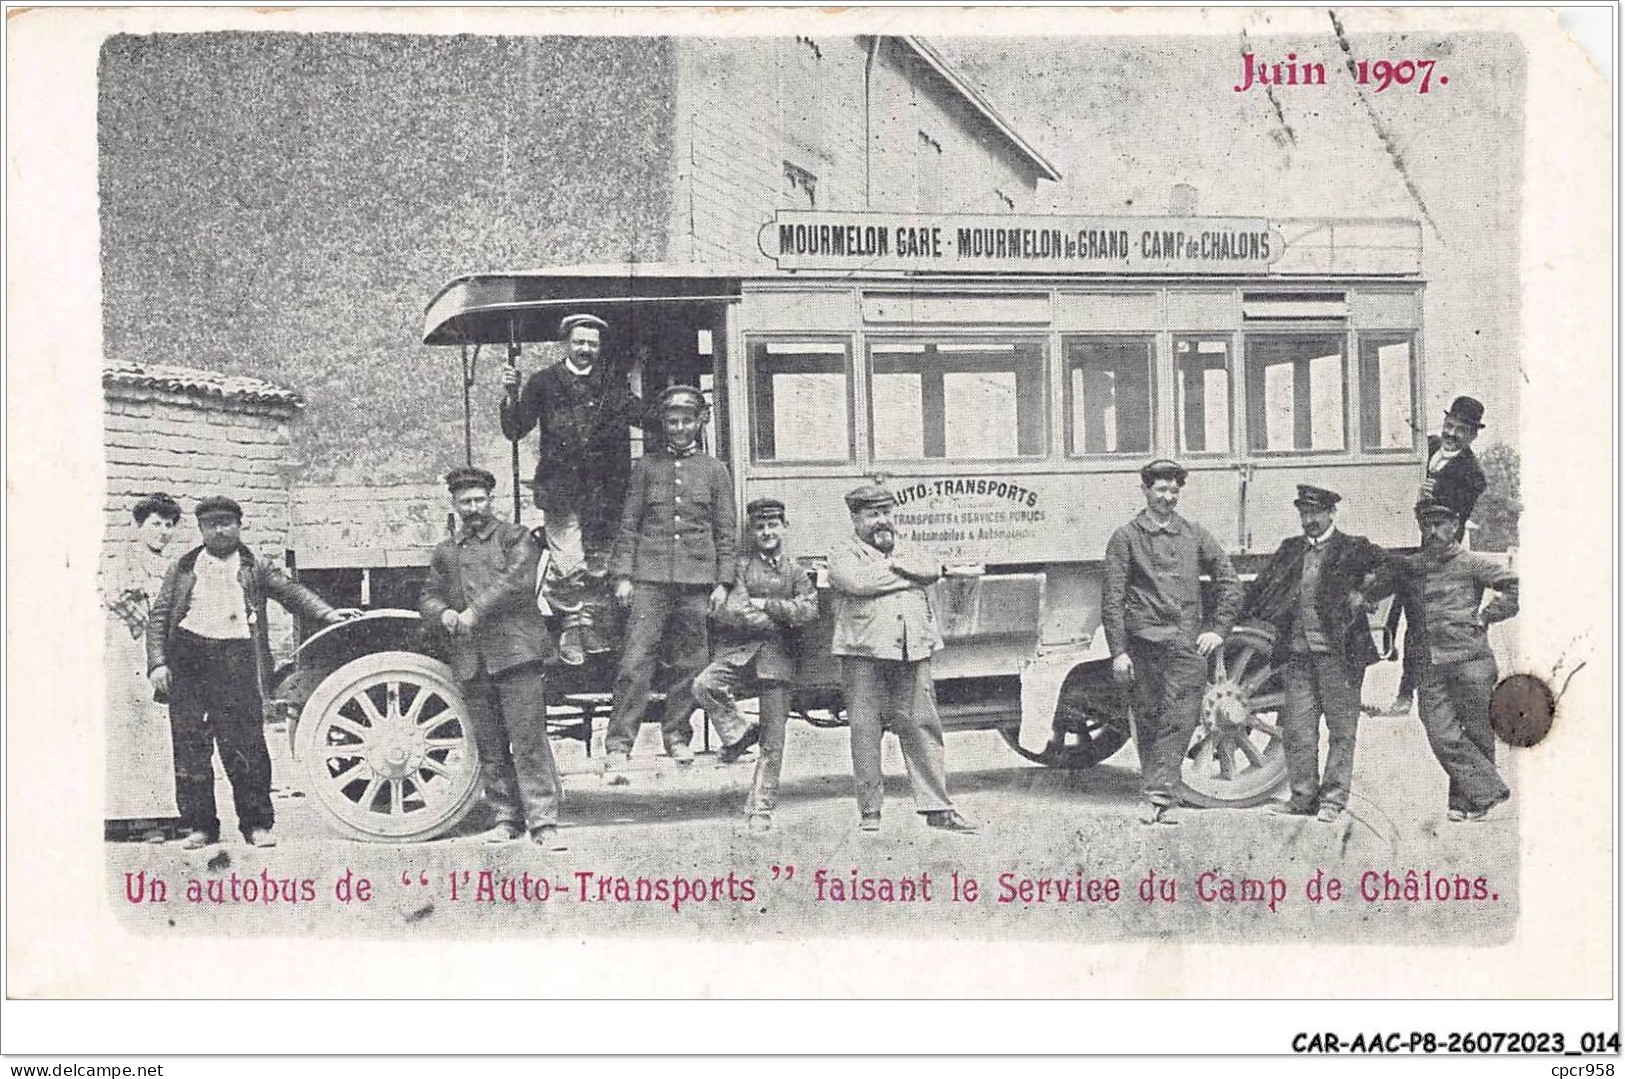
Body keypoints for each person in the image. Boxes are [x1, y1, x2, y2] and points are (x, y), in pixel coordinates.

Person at [147, 496, 359, 849]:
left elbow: (291, 592)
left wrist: (327, 614)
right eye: (211, 524)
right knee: (190, 747)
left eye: (226, 523)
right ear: (201, 530)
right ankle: (200, 827)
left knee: (246, 745)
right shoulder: (183, 567)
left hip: (237, 659)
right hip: (188, 658)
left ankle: (256, 825)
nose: (219, 530)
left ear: (239, 526)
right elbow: (159, 616)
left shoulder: (254, 566)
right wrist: (157, 662)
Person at [420, 467, 565, 846]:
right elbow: (428, 596)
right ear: (454, 503)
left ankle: (544, 823)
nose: (473, 508)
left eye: (479, 499)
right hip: (473, 659)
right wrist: (444, 613)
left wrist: (474, 611)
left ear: (491, 499)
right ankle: (505, 818)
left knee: (529, 741)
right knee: (491, 747)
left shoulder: (514, 537)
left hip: (516, 653)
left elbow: (516, 582)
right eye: (465, 501)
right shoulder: (446, 550)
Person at [827, 483, 978, 835]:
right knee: (865, 730)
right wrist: (905, 574)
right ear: (855, 518)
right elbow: (855, 581)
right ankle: (870, 811)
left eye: (886, 514)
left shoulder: (907, 546)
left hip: (913, 648)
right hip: (863, 651)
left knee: (923, 726)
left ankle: (938, 808)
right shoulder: (842, 551)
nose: (882, 521)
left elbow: (932, 569)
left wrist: (900, 568)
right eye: (872, 515)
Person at [603, 385, 736, 780]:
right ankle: (618, 746)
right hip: (650, 579)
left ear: (699, 423)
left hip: (697, 581)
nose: (679, 429)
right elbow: (629, 525)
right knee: (634, 662)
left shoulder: (715, 470)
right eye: (672, 422)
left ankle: (677, 735)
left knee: (692, 664)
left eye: (686, 421)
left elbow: (725, 531)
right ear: (663, 425)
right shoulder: (646, 468)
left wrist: (723, 582)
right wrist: (624, 575)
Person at [1239, 485, 1393, 823]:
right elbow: (1259, 589)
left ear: (1330, 514)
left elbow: (1393, 570)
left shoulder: (1355, 548)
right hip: (1297, 658)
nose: (1309, 520)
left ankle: (1333, 800)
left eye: (1315, 514)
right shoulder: (1290, 550)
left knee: (1341, 730)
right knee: (1297, 731)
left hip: (1340, 658)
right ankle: (1302, 798)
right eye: (1303, 514)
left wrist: (1363, 594)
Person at [500, 312, 645, 666]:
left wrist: (685, 410)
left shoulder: (612, 385)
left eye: (592, 344)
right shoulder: (542, 382)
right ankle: (570, 625)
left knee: (599, 564)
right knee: (567, 563)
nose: (585, 349)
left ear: (599, 348)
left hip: (605, 493)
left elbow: (644, 415)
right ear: (566, 343)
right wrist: (509, 395)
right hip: (561, 490)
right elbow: (515, 429)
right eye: (579, 342)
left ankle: (588, 625)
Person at [1103, 459, 1241, 825]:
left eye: (1173, 491)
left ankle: (1160, 795)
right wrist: (1118, 651)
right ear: (1146, 491)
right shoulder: (1126, 537)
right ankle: (1158, 793)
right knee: (1148, 719)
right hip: (1142, 644)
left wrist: (1218, 631)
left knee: (1180, 718)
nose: (1167, 497)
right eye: (1160, 490)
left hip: (1184, 645)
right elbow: (1112, 600)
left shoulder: (1195, 535)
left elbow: (1230, 583)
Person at [693, 497, 819, 834]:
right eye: (760, 527)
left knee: (773, 742)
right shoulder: (741, 567)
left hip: (778, 661)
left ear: (783, 528)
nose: (766, 532)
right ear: (752, 531)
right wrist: (781, 618)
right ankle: (738, 733)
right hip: (743, 653)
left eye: (772, 526)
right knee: (704, 685)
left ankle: (761, 809)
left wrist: (768, 605)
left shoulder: (795, 570)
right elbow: (735, 611)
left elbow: (808, 611)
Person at [1405, 499, 1517, 822]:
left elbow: (1514, 586)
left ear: (1454, 526)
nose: (1433, 532)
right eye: (1428, 525)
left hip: (1471, 660)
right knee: (1440, 731)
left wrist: (1488, 615)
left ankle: (1467, 802)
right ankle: (1490, 790)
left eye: (1440, 525)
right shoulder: (1417, 566)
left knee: (1477, 730)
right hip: (1431, 664)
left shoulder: (1472, 563)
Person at [1381, 395, 1489, 716]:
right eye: (1449, 425)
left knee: (1419, 625)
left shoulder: (1472, 475)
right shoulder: (1423, 450)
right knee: (1387, 608)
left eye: (1461, 429)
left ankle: (1406, 696)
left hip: (1434, 557)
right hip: (1403, 545)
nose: (1452, 433)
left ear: (1473, 435)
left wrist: (1427, 498)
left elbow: (1449, 519)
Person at [104, 492, 184, 841]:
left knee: (157, 729)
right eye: (155, 524)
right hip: (126, 651)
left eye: (169, 526)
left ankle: (162, 811)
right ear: (138, 526)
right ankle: (132, 818)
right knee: (131, 729)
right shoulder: (123, 562)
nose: (163, 532)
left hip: (153, 653)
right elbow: (117, 600)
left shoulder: (168, 566)